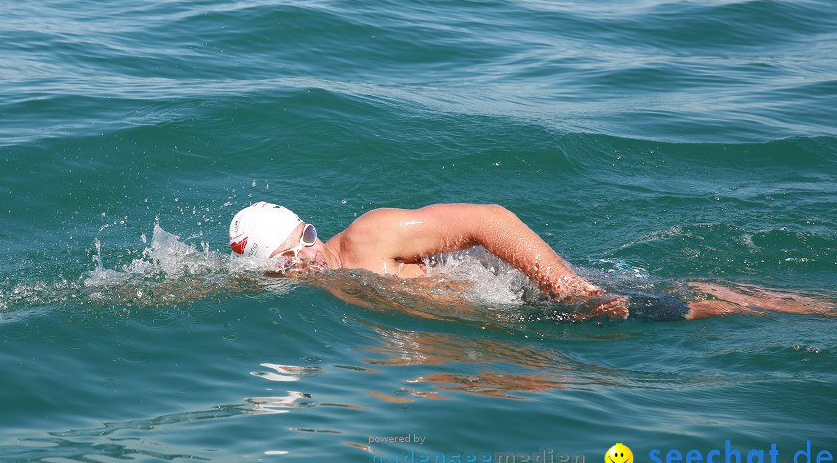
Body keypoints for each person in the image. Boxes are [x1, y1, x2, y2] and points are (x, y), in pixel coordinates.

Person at [228, 201, 835, 320]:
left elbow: (490, 219)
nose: (288, 275)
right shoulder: (336, 281)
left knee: (688, 308)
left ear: (304, 237)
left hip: (538, 289)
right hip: (523, 310)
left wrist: (565, 288)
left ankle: (814, 309)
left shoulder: (369, 236)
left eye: (284, 262)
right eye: (275, 275)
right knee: (688, 296)